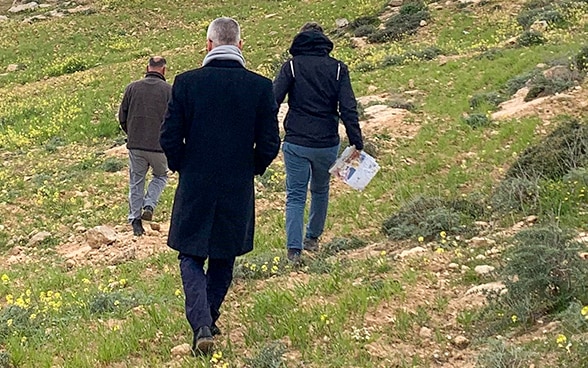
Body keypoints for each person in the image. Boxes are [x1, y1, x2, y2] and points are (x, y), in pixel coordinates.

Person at [160, 17, 280, 355]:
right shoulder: (260, 86)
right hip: (236, 185)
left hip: (195, 183)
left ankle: (201, 324)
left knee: (190, 253)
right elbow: (270, 143)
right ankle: (207, 320)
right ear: (240, 46)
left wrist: (183, 164)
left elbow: (168, 136)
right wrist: (250, 168)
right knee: (224, 255)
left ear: (208, 45)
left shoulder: (186, 83)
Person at [273, 22, 364, 263]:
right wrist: (357, 141)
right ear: (324, 42)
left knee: (295, 194)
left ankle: (294, 250)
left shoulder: (291, 66)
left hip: (296, 142)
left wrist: (265, 134)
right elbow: (348, 107)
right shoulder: (337, 69)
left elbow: (273, 100)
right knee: (321, 190)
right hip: (327, 142)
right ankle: (312, 238)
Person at [118, 56, 172, 236]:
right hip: (159, 146)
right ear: (163, 70)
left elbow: (122, 116)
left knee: (136, 181)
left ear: (147, 68)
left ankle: (135, 221)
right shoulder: (169, 91)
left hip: (136, 144)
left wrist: (131, 133)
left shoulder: (132, 88)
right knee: (161, 176)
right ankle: (149, 203)